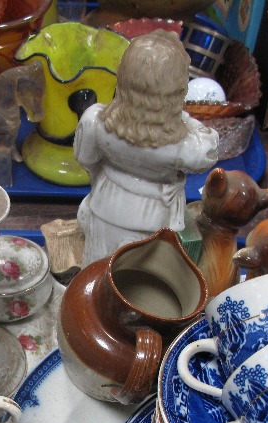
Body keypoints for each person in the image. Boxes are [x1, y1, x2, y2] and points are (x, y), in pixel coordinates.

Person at [75, 30, 219, 266]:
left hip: (104, 206)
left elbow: (87, 160)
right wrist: (182, 119)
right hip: (155, 219)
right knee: (139, 279)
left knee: (96, 270)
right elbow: (209, 147)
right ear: (175, 91)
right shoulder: (185, 146)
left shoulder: (95, 121)